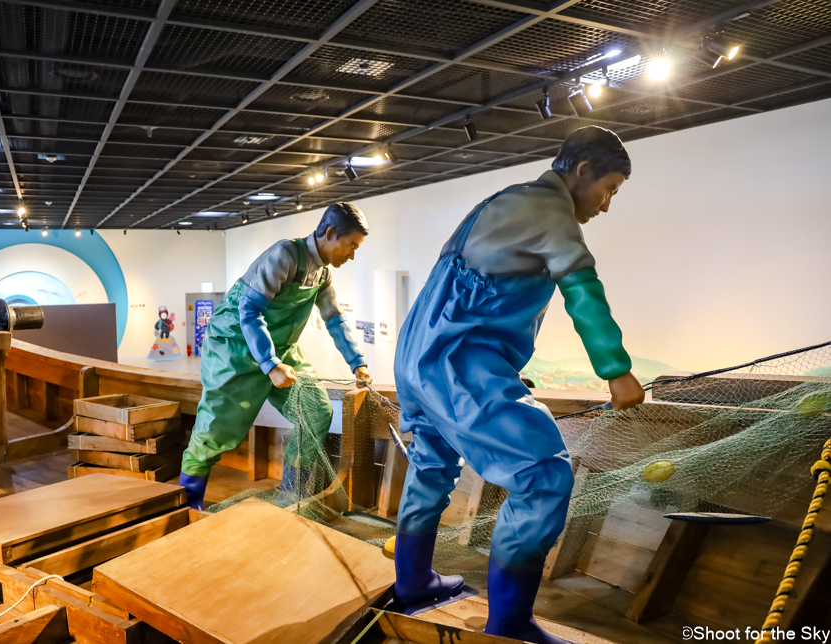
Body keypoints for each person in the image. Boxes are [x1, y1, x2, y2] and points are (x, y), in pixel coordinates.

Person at [391, 126, 646, 642]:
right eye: (610, 189)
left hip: (417, 359)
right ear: (581, 171)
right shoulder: (553, 214)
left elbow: (474, 298)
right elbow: (583, 292)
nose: (606, 203)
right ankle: (509, 624)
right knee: (543, 477)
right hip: (459, 366)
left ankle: (414, 585)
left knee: (432, 467)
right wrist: (616, 371)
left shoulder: (504, 201)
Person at [179, 202, 373, 509]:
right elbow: (250, 311)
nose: (352, 255)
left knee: (316, 410)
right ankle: (187, 507)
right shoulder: (285, 255)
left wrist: (357, 362)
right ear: (331, 233)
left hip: (282, 352)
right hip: (236, 348)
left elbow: (334, 318)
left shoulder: (323, 274)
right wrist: (270, 365)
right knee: (214, 431)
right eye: (351, 246)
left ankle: (290, 497)